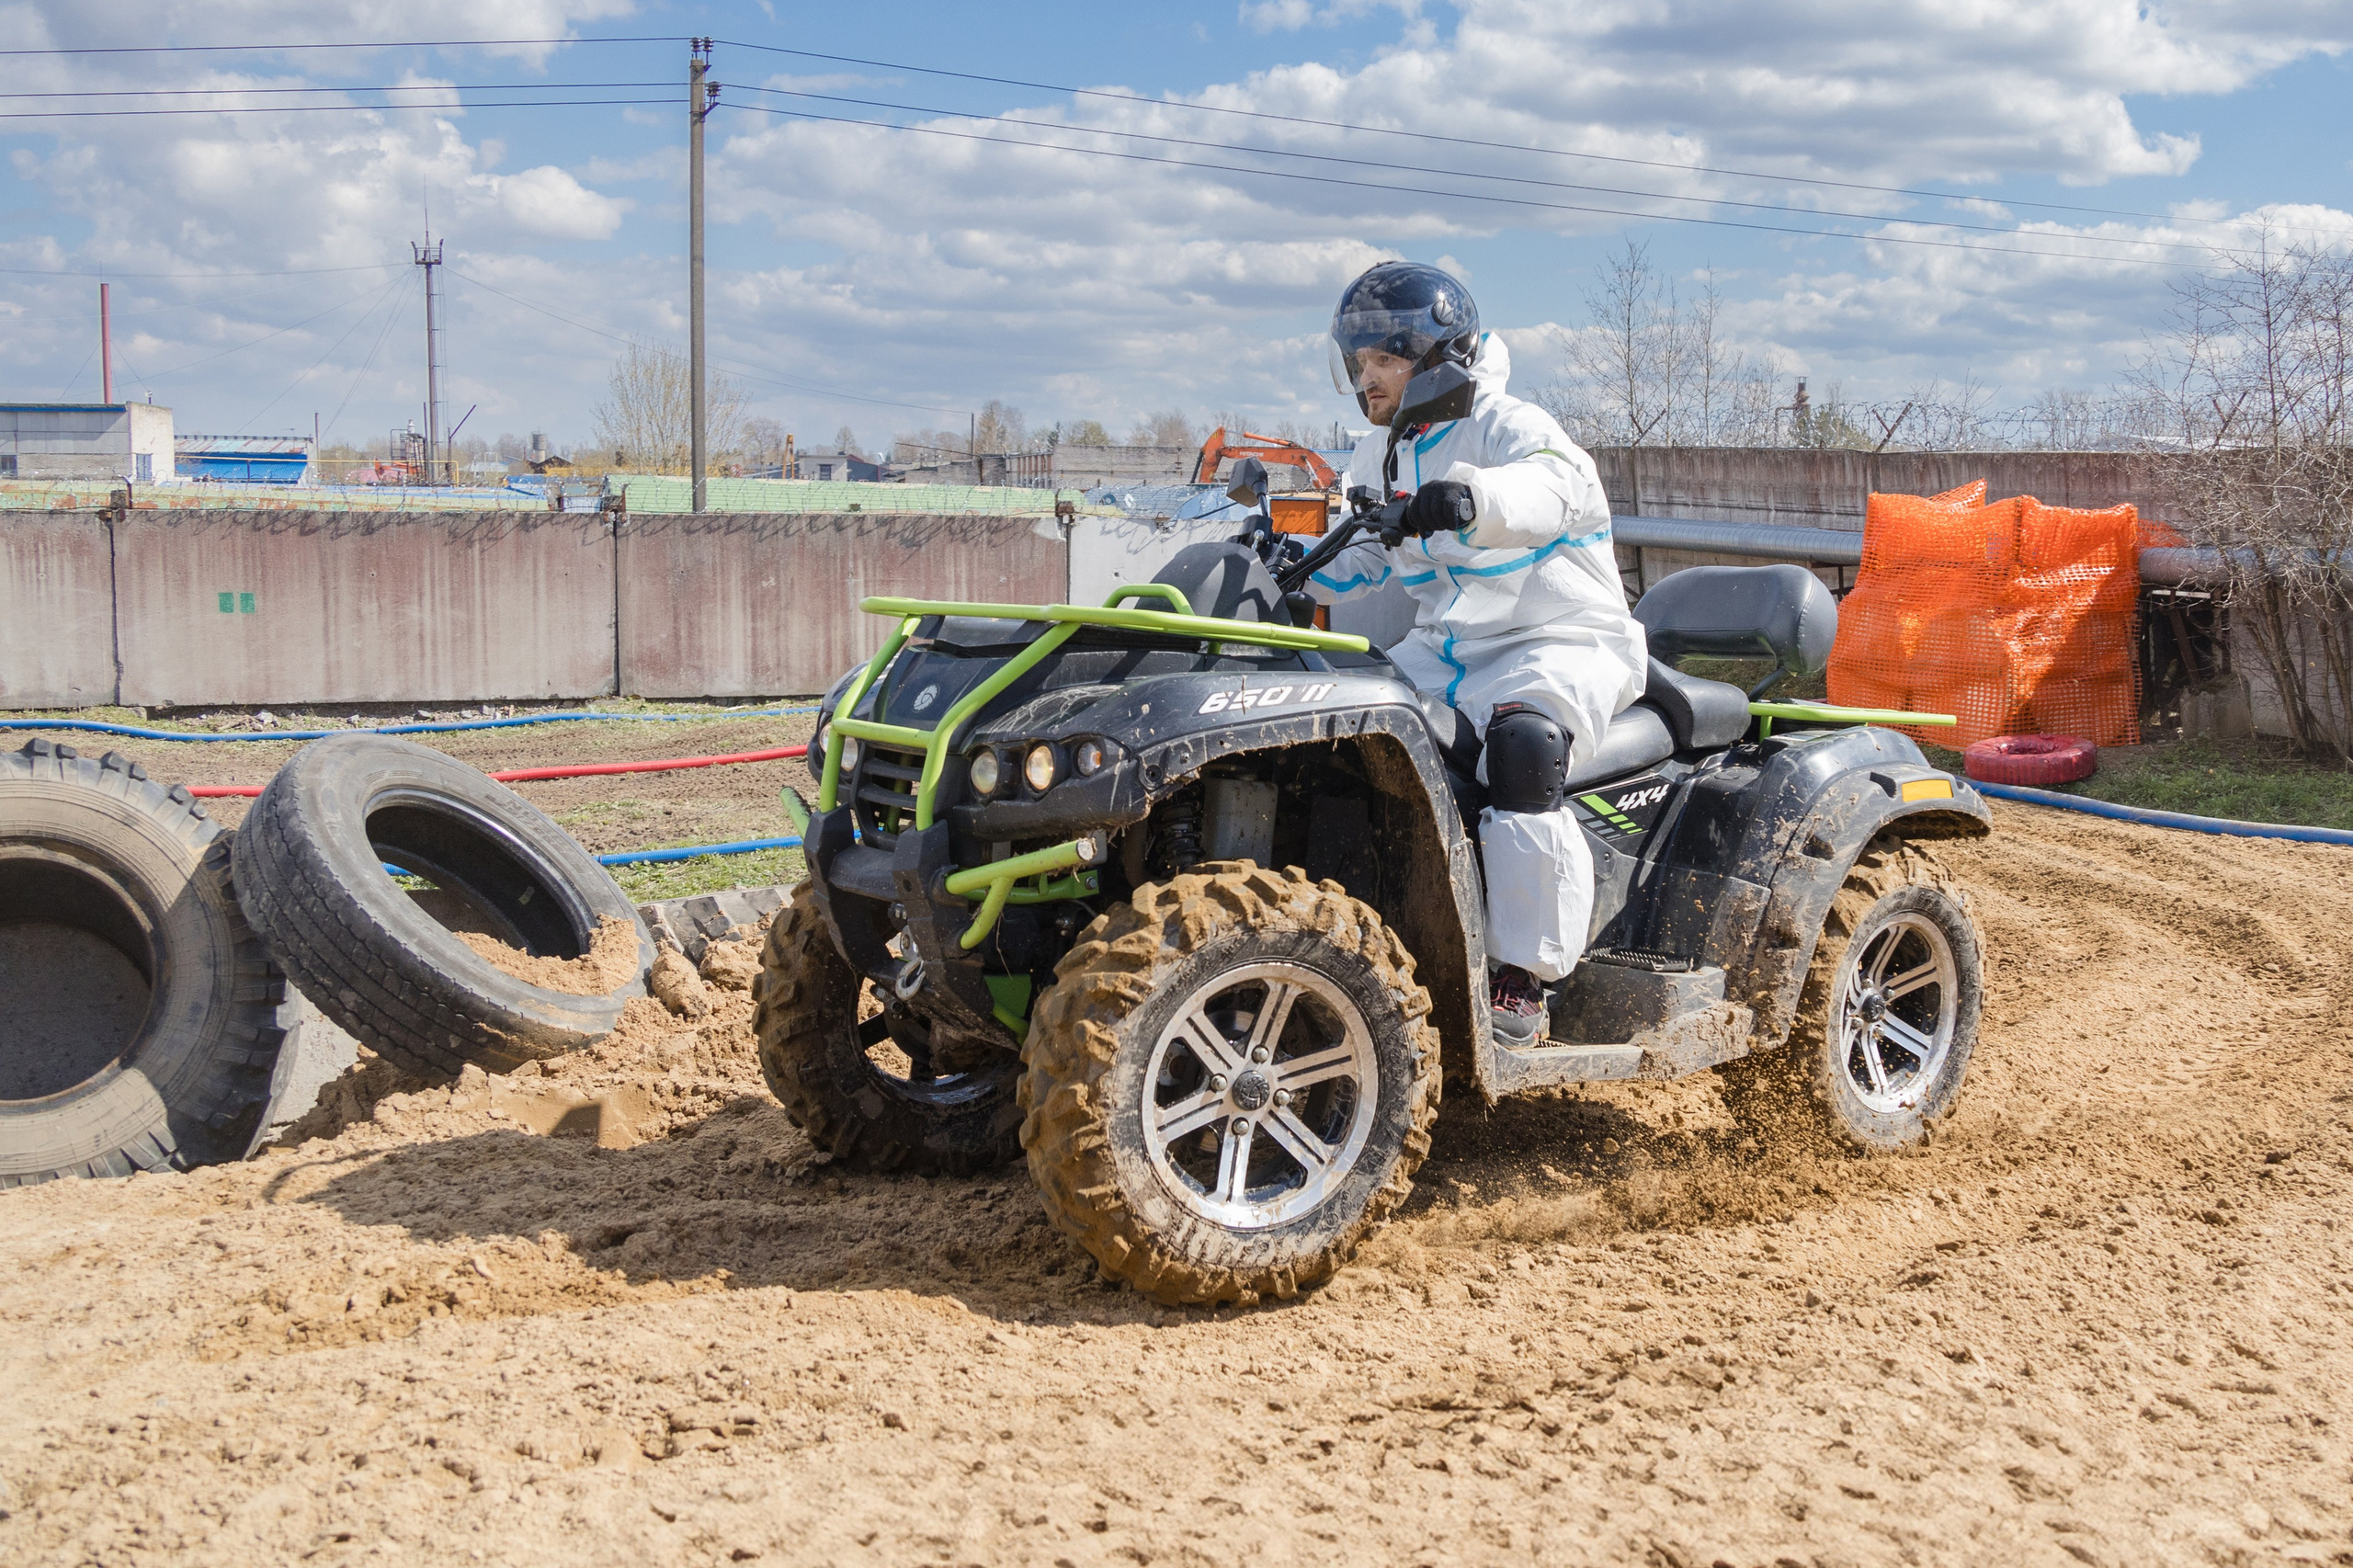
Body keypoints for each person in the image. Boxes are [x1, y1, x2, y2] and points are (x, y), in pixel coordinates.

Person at [1308, 260, 1648, 1046]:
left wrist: (1474, 500)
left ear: (1438, 357)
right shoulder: (1381, 453)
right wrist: (1274, 555)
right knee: (1343, 708)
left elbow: (1553, 488)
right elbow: (1353, 556)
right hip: (1451, 646)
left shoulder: (1511, 425)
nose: (1369, 379)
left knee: (1522, 741)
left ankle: (1522, 976)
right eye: (1359, 362)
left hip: (1560, 640)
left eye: (1384, 359)